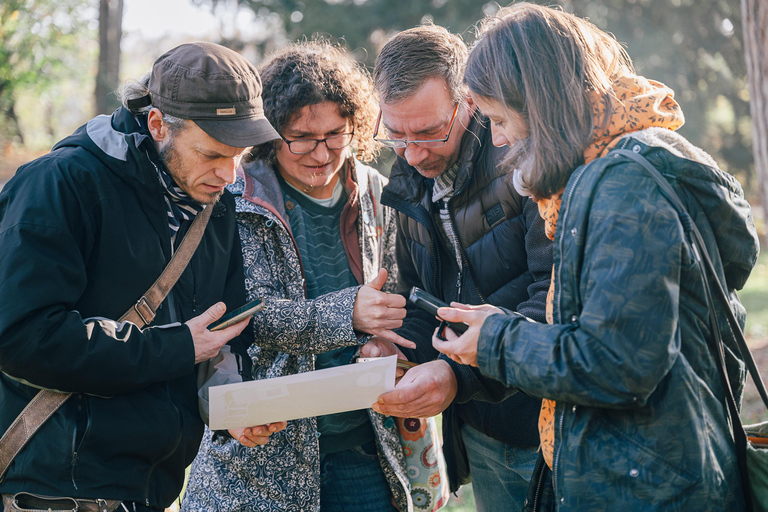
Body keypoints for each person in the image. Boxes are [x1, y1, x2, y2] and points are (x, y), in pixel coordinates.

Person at [434, 3, 759, 510]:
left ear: (539, 102)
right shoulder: (623, 166)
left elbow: (618, 364)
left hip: (650, 487)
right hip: (658, 472)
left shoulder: (621, 183)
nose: (497, 140)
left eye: (499, 120)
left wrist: (497, 340)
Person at [0, 42, 286, 512]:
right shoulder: (58, 184)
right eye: (212, 154)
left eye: (239, 155)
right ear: (157, 125)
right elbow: (21, 336)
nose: (229, 174)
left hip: (150, 494)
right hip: (53, 493)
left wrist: (231, 406)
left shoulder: (217, 207)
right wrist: (175, 348)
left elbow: (219, 335)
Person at [182, 40, 416, 512]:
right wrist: (347, 312)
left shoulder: (378, 192)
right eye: (302, 138)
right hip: (260, 459)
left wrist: (386, 343)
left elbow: (399, 297)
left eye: (336, 134)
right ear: (269, 133)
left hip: (361, 447)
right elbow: (244, 315)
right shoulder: (234, 199)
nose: (321, 153)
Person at [366, 24, 553, 511]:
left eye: (429, 132)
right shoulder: (407, 177)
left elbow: (554, 294)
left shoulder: (525, 161)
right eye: (396, 135)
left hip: (546, 422)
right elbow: (424, 297)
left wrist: (457, 376)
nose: (412, 152)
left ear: (468, 101)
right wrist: (392, 343)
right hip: (480, 429)